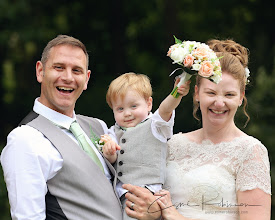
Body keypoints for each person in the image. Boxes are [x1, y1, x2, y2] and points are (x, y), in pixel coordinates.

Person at [0, 35, 123, 220]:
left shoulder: (99, 127)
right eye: (59, 67)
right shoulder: (25, 139)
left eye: (76, 70)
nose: (67, 77)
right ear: (40, 71)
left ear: (87, 78)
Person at [154, 39, 271, 220]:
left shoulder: (250, 151)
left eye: (229, 95)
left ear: (241, 97)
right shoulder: (174, 144)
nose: (219, 102)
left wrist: (175, 216)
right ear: (196, 93)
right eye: (211, 92)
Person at [102, 72, 190, 219]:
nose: (127, 113)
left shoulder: (156, 126)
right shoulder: (113, 131)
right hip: (120, 195)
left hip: (147, 193)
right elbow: (112, 160)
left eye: (133, 106)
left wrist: (176, 94)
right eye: (120, 109)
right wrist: (110, 152)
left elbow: (166, 109)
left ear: (148, 104)